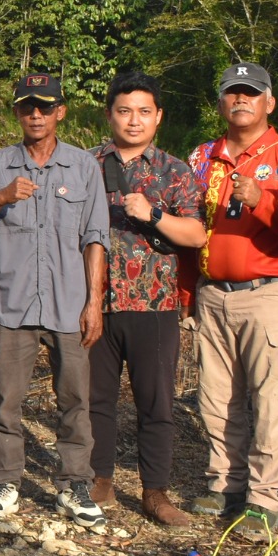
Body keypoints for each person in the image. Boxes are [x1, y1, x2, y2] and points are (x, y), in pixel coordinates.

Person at [0, 74, 110, 525]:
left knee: (75, 400)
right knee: (5, 399)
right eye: (28, 107)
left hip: (69, 303)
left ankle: (74, 485)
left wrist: (94, 302)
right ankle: (4, 483)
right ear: (17, 113)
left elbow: (95, 238)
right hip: (12, 303)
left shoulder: (83, 167)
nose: (36, 115)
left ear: (60, 111)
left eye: (45, 106)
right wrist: (2, 197)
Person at [186, 61, 278, 540]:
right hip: (212, 292)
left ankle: (264, 499)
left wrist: (261, 198)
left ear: (269, 102)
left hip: (268, 293)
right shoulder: (202, 156)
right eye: (232, 93)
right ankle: (225, 483)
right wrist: (186, 292)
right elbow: (187, 227)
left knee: (271, 399)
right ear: (220, 101)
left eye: (251, 93)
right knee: (216, 396)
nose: (241, 100)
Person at [89, 73, 206, 527]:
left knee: (155, 403)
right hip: (95, 301)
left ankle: (155, 491)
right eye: (124, 111)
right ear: (110, 114)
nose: (133, 121)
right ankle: (98, 480)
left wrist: (153, 214)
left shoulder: (175, 171)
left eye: (143, 111)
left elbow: (195, 234)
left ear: (158, 116)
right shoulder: (85, 165)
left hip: (153, 303)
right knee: (96, 398)